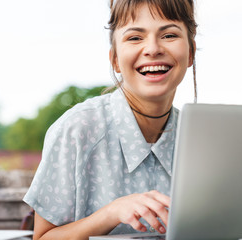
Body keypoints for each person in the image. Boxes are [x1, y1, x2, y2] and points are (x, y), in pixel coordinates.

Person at [23, 0, 197, 239]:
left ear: (190, 53)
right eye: (135, 38)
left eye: (168, 35)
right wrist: (110, 213)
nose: (153, 48)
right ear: (115, 59)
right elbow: (42, 237)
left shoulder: (200, 140)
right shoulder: (77, 129)